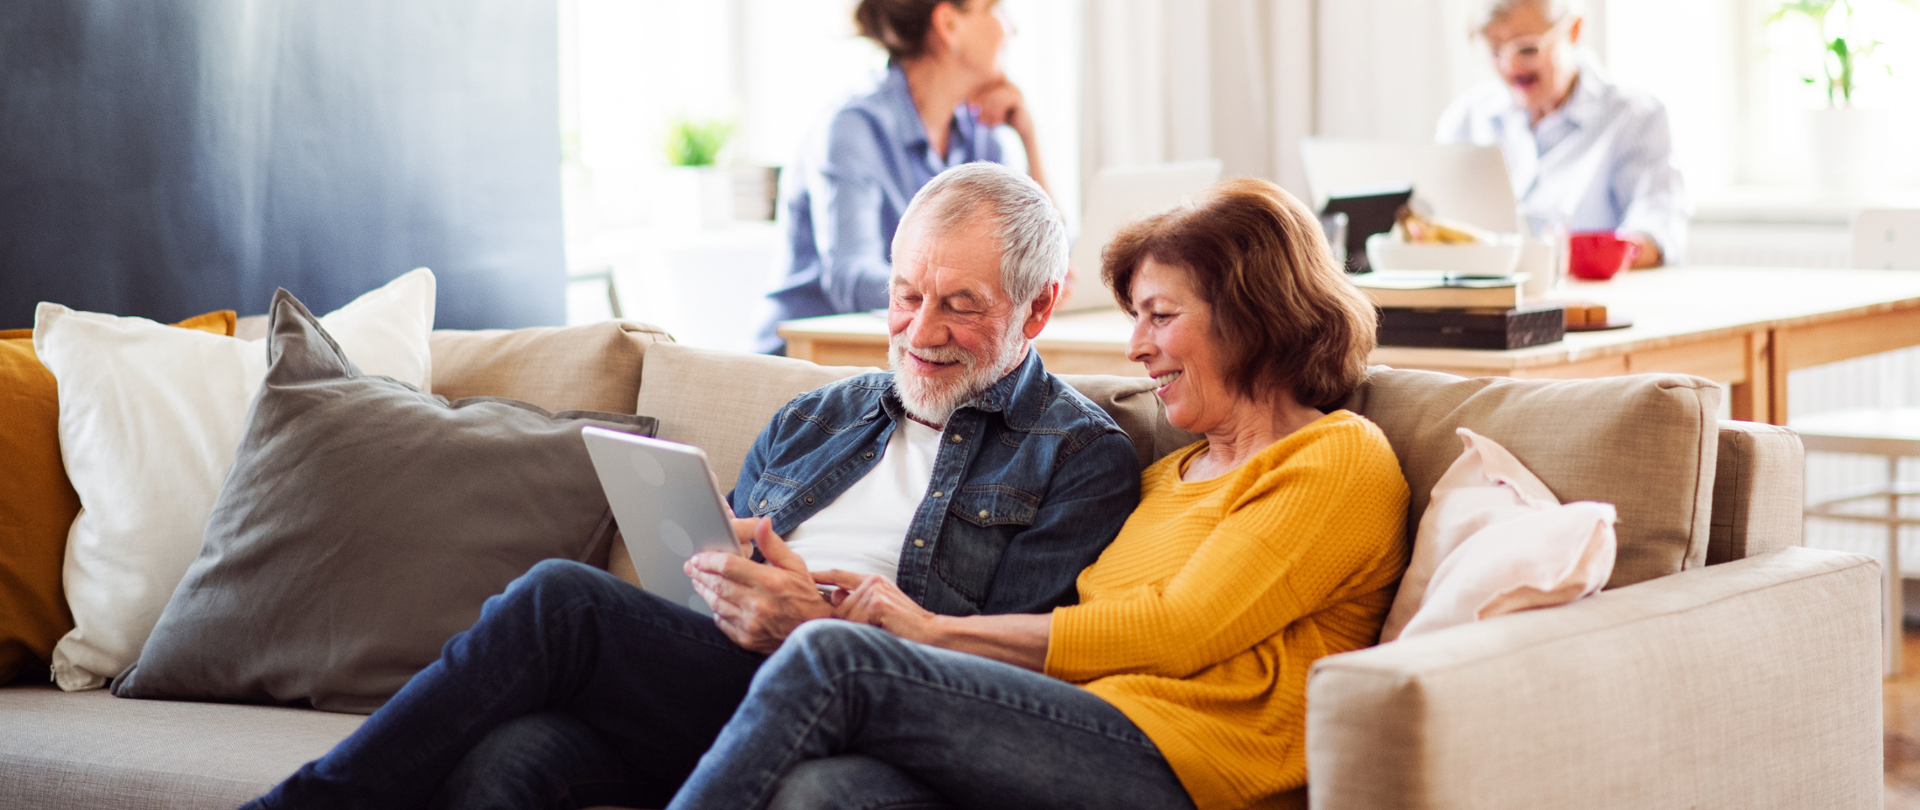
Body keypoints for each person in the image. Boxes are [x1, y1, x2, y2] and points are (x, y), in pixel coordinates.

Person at [242, 163, 1141, 810]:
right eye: (907, 295)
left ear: (1041, 306)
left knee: (563, 599)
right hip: (718, 682)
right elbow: (709, 570)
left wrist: (816, 618)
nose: (921, 331)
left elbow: (1001, 678)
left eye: (962, 304)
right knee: (515, 757)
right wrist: (724, 583)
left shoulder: (1078, 456)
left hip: (868, 704)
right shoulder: (816, 417)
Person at [663, 178, 1413, 810]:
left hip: (1191, 769)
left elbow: (1180, 631)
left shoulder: (1336, 458)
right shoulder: (1166, 480)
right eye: (1135, 318)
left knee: (837, 655)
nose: (1135, 346)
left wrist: (926, 631)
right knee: (824, 791)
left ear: (1252, 317)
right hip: (1069, 732)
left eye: (1160, 315)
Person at [755, 0, 1052, 354]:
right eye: (993, 9)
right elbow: (850, 279)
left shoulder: (980, 135)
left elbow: (1050, 261)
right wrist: (971, 293)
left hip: (918, 355)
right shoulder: (853, 127)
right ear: (949, 24)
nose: (1011, 28)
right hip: (813, 361)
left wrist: (1029, 138)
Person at [1436, 0, 1688, 267]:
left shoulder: (1636, 118)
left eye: (1527, 49)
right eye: (1495, 51)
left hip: (1589, 303)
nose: (1510, 66)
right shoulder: (1464, 120)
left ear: (1574, 31)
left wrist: (1588, 256)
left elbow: (1659, 230)